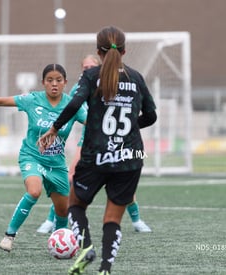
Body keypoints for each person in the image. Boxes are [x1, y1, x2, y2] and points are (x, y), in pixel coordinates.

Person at [38, 26, 157, 275]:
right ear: (124, 51)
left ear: (98, 51)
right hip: (129, 157)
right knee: (112, 219)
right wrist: (130, 128)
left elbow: (75, 102)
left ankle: (86, 248)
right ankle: (105, 269)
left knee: (76, 204)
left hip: (96, 155)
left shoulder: (92, 75)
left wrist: (54, 128)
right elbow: (151, 115)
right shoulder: (136, 77)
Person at [0, 64, 87, 253]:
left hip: (57, 164)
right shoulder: (33, 99)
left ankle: (59, 243)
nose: (54, 84)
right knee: (34, 191)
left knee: (63, 210)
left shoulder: (73, 106)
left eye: (59, 80)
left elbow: (93, 122)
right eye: (50, 80)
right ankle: (9, 235)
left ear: (65, 82)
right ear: (43, 83)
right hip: (32, 156)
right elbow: (2, 101)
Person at [36, 55, 152, 234]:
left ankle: (137, 220)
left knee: (122, 180)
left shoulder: (110, 82)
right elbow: (71, 109)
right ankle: (52, 219)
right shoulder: (78, 87)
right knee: (71, 178)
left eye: (91, 66)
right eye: (85, 67)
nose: (88, 69)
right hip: (88, 139)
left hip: (113, 139)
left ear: (99, 67)